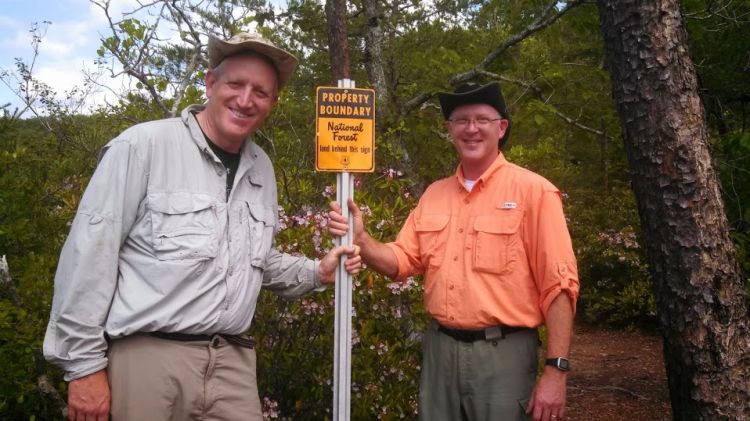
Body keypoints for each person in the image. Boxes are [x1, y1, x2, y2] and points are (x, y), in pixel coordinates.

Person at [44, 32, 361, 421]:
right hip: (148, 359)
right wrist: (83, 367)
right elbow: (89, 255)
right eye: (236, 84)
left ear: (273, 103)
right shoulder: (141, 146)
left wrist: (317, 272)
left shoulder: (261, 167)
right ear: (210, 83)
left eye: (261, 92)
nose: (246, 100)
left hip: (233, 364)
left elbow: (251, 259)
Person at [329, 82, 579, 421]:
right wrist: (362, 239)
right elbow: (401, 261)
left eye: (482, 119)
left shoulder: (535, 192)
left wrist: (556, 369)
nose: (471, 129)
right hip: (439, 353)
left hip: (503, 357)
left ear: (501, 127)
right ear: (449, 129)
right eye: (461, 120)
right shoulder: (434, 194)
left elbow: (559, 285)